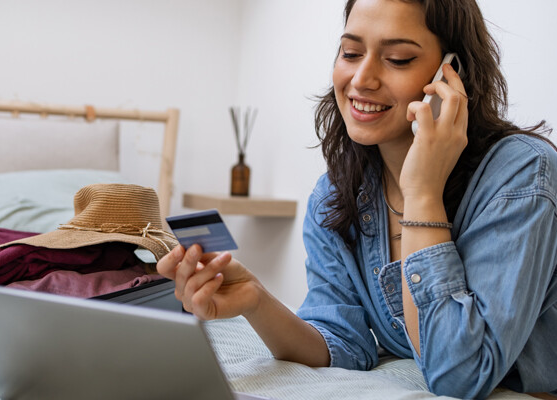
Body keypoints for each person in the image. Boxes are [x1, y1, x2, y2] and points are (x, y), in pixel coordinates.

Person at [157, 0, 557, 398]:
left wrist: (422, 194)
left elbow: (461, 377)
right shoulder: (335, 195)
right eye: (350, 52)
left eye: (398, 59)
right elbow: (343, 342)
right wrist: (255, 301)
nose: (362, 78)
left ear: (452, 75)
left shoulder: (522, 174)